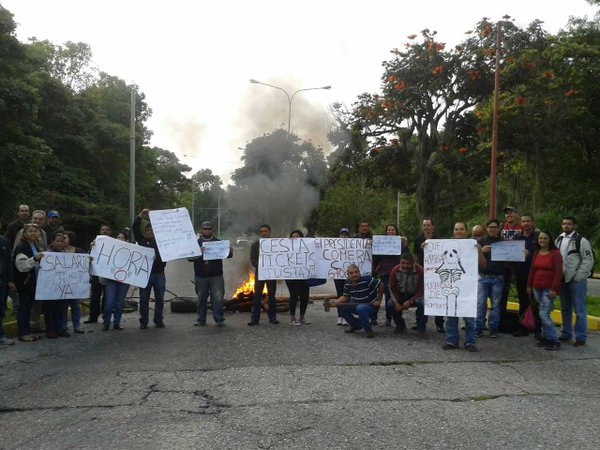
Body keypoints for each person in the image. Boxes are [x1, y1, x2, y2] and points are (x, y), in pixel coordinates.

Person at [443, 221, 486, 351]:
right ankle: (451, 340)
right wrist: (426, 247)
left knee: (469, 316)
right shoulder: (445, 246)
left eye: (461, 229)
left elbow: (483, 266)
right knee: (451, 315)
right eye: (456, 229)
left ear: (466, 231)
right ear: (453, 232)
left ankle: (470, 342)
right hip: (451, 284)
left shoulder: (474, 246)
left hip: (468, 287)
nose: (459, 232)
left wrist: (479, 252)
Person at [555, 216, 594, 347]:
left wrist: (578, 276)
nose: (566, 226)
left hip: (576, 280)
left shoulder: (581, 241)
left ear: (574, 226)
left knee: (579, 309)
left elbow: (588, 260)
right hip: (562, 279)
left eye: (569, 224)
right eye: (564, 223)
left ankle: (581, 337)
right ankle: (566, 333)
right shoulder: (559, 239)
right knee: (565, 308)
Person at [190, 221, 232, 327]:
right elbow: (189, 258)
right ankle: (201, 320)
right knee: (201, 299)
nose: (207, 230)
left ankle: (219, 319)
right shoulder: (195, 243)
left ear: (212, 230)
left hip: (216, 276)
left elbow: (229, 255)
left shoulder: (218, 242)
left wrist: (230, 250)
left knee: (218, 298)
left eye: (209, 229)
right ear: (201, 230)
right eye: (205, 229)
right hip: (200, 276)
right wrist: (199, 252)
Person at [527, 231, 563, 351]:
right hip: (537, 287)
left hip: (549, 288)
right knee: (543, 313)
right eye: (540, 238)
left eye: (545, 238)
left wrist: (554, 289)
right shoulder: (537, 252)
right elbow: (532, 270)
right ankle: (547, 338)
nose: (542, 240)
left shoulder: (555, 254)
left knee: (543, 314)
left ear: (550, 240)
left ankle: (554, 340)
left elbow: (558, 273)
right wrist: (529, 285)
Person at [133, 209, 167, 329]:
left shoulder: (162, 242)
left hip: (159, 274)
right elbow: (135, 228)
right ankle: (144, 322)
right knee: (143, 300)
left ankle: (158, 320)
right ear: (145, 232)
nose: (149, 232)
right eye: (147, 230)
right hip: (145, 275)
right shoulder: (142, 241)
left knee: (160, 299)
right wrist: (140, 215)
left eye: (151, 230)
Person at [329, 264, 383, 338]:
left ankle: (368, 330)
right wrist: (336, 302)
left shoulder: (367, 279)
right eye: (351, 273)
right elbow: (345, 296)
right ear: (347, 274)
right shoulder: (347, 283)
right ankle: (356, 325)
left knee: (361, 308)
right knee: (340, 305)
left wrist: (379, 300)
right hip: (356, 305)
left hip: (370, 306)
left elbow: (381, 285)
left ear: (359, 272)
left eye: (356, 272)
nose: (354, 274)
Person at [13, 223, 45, 342]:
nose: (33, 233)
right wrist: (35, 259)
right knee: (24, 308)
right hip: (25, 283)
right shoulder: (22, 247)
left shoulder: (36, 246)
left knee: (28, 308)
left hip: (34, 282)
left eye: (35, 231)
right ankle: (23, 333)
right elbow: (21, 266)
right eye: (30, 231)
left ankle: (27, 332)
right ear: (25, 234)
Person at [413, 217, 445, 333]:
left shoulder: (439, 240)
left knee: (438, 298)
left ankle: (439, 323)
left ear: (433, 227)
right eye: (424, 225)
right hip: (422, 272)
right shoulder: (418, 240)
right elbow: (416, 257)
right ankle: (420, 321)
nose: (426, 227)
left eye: (428, 225)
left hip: (436, 273)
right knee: (421, 298)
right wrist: (415, 270)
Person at [372, 224, 407, 327]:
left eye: (393, 230)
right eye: (388, 230)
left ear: (396, 232)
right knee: (387, 295)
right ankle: (388, 318)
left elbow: (406, 255)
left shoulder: (401, 243)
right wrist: (373, 246)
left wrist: (405, 245)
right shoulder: (381, 243)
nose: (390, 232)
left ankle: (395, 317)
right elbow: (376, 257)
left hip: (399, 273)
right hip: (385, 272)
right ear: (386, 232)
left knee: (396, 295)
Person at [512, 214, 541, 338]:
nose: (526, 223)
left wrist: (529, 254)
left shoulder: (539, 236)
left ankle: (538, 329)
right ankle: (523, 327)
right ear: (521, 223)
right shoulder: (517, 237)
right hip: (521, 273)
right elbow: (511, 254)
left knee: (537, 302)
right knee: (523, 301)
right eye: (523, 221)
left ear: (533, 222)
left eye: (528, 221)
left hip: (536, 274)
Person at [476, 218, 504, 338]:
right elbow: (471, 258)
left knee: (496, 305)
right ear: (486, 228)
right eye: (490, 227)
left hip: (498, 278)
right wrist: (480, 251)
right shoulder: (480, 241)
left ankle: (493, 329)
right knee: (480, 304)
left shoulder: (504, 243)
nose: (492, 229)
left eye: (495, 227)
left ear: (498, 229)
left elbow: (512, 257)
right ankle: (478, 328)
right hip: (482, 277)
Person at [499, 206, 524, 332]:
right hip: (504, 267)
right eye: (507, 213)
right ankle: (500, 322)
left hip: (518, 267)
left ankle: (524, 323)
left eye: (511, 212)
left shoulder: (522, 227)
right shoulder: (500, 227)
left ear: (516, 214)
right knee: (502, 295)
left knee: (522, 295)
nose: (509, 215)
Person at [248, 224, 278, 326]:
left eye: (265, 231)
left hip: (272, 273)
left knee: (271, 296)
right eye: (261, 232)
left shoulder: (276, 244)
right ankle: (255, 319)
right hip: (260, 273)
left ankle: (272, 318)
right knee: (257, 296)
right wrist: (260, 265)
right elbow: (252, 259)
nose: (263, 233)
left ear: (269, 232)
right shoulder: (255, 245)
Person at [388, 253, 425, 334]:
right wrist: (396, 302)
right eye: (403, 263)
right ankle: (400, 324)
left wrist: (411, 301)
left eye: (408, 263)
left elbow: (422, 290)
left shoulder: (420, 270)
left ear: (413, 263)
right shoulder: (395, 270)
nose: (405, 265)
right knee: (390, 305)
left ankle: (421, 326)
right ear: (400, 262)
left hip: (416, 295)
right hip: (401, 294)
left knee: (423, 304)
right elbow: (391, 287)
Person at [102, 231, 131, 331]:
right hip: (111, 280)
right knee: (109, 303)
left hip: (124, 281)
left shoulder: (131, 251)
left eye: (122, 238)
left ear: (126, 240)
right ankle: (106, 322)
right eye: (118, 237)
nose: (120, 239)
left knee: (119, 303)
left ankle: (117, 323)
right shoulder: (111, 249)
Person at [43, 232, 70, 338]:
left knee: (61, 308)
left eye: (61, 241)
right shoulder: (47, 254)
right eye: (57, 241)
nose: (59, 243)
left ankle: (60, 328)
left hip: (62, 286)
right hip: (50, 286)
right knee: (50, 308)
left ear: (65, 243)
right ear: (52, 242)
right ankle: (50, 329)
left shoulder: (67, 254)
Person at [84, 224, 112, 324]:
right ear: (100, 231)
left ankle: (106, 317)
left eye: (107, 230)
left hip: (108, 273)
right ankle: (93, 317)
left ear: (110, 232)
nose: (104, 231)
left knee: (107, 297)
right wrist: (91, 248)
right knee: (95, 296)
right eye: (103, 229)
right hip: (96, 273)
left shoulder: (114, 244)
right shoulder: (95, 243)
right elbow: (90, 256)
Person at [285, 230, 310, 326]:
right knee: (293, 296)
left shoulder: (306, 248)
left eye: (297, 236)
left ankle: (302, 317)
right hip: (291, 276)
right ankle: (292, 318)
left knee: (305, 297)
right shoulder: (286, 248)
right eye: (293, 236)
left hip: (303, 276)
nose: (295, 238)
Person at [62, 231, 85, 334]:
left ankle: (77, 326)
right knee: (63, 306)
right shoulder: (57, 252)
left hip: (75, 284)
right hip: (62, 284)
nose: (63, 240)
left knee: (75, 306)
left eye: (65, 238)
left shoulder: (78, 251)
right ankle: (63, 326)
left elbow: (86, 260)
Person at [0, 233, 15, 345]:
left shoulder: (5, 241)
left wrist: (9, 280)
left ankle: (1, 335)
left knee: (1, 309)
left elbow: (9, 262)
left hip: (2, 281)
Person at [334, 227, 351, 326]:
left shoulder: (354, 245)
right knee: (340, 294)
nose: (344, 236)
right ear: (339, 235)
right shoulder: (334, 245)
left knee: (348, 295)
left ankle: (346, 316)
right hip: (338, 274)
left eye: (346, 235)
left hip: (349, 275)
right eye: (342, 234)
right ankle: (340, 315)